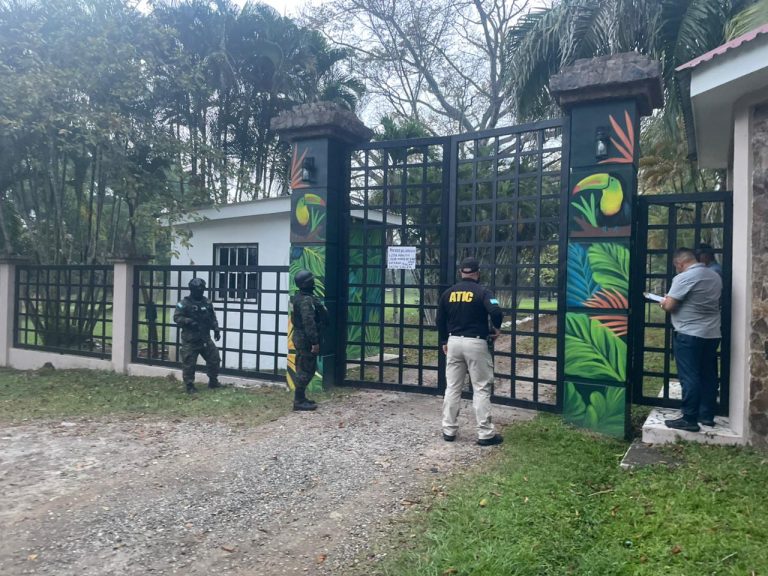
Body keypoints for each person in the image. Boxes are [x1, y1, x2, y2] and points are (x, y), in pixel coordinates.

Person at [437, 256, 504, 446]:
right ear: (477, 273)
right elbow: (496, 312)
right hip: (476, 342)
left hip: (454, 342)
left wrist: (444, 340)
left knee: (452, 387)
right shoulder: (483, 292)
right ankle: (485, 433)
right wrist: (496, 328)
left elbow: (440, 319)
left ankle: (448, 430)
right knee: (481, 387)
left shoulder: (448, 293)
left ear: (461, 272)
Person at [660, 248, 723, 431]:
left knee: (689, 376)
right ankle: (707, 415)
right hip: (712, 333)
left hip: (689, 334)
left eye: (676, 266)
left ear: (679, 263)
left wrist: (663, 303)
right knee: (708, 375)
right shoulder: (714, 276)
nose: (676, 269)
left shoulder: (684, 277)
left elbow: (670, 305)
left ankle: (689, 418)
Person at [173, 277, 222, 394]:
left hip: (205, 338)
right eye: (197, 290)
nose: (200, 292)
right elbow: (177, 317)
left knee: (214, 358)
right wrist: (188, 321)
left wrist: (216, 329)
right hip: (191, 340)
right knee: (189, 364)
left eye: (202, 289)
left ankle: (213, 381)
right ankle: (190, 385)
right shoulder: (183, 303)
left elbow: (212, 317)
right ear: (192, 290)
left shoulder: (207, 302)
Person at [291, 269, 329, 411]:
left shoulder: (302, 297)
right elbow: (309, 322)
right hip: (306, 340)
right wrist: (314, 342)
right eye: (311, 280)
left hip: (302, 338)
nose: (313, 282)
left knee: (304, 367)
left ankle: (301, 398)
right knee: (306, 369)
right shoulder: (305, 300)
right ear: (307, 283)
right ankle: (299, 400)